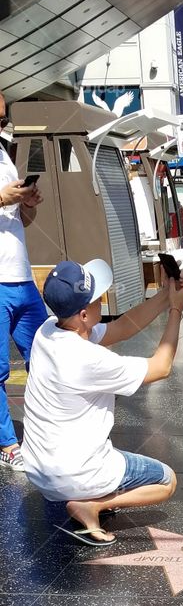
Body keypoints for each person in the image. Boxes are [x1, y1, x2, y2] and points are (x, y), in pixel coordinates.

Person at [22, 257, 183, 546]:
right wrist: (176, 309)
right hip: (75, 473)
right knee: (166, 480)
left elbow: (122, 327)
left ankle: (85, 495)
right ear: (84, 315)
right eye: (98, 298)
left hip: (38, 471)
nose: (104, 300)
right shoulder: (89, 360)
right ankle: (92, 506)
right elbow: (161, 367)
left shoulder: (48, 330)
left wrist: (165, 295)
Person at [0, 91, 48, 472]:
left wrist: (26, 204)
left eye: (3, 119)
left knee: (44, 358)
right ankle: (6, 443)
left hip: (21, 275)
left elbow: (20, 223)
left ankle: (46, 431)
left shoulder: (4, 155)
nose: (2, 126)